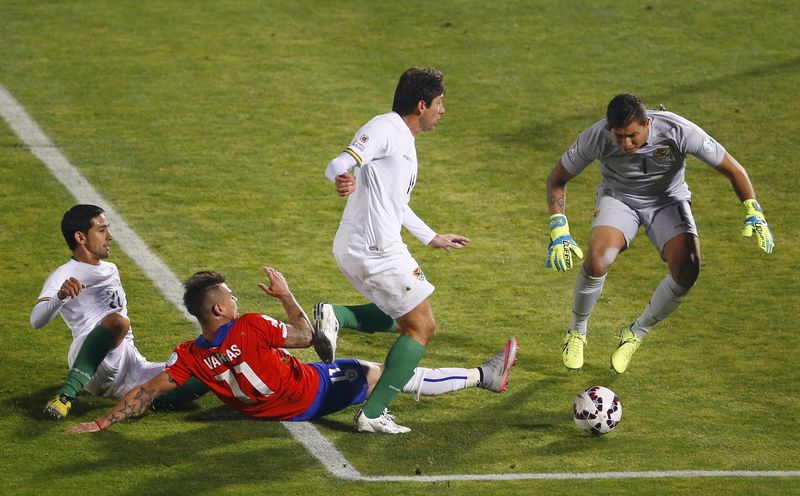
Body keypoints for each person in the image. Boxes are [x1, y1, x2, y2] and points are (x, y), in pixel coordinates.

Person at [64, 267, 517, 434]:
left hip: (263, 410)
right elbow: (308, 337)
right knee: (384, 372)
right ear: (220, 308)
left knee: (368, 362)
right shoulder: (251, 326)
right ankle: (484, 376)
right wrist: (284, 296)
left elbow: (147, 391)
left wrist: (100, 421)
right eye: (232, 296)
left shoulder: (190, 357)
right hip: (310, 392)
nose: (238, 300)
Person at [545, 94, 774, 373]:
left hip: (668, 200)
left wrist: (753, 210)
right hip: (619, 199)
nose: (626, 143)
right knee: (597, 261)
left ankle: (636, 333)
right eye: (619, 137)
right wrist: (559, 229)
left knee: (688, 268)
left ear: (648, 123)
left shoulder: (679, 131)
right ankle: (577, 332)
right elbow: (557, 178)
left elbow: (732, 168)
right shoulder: (596, 136)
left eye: (632, 135)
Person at [316, 66, 473, 433]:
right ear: (421, 105)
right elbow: (340, 163)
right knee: (422, 328)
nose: (442, 110)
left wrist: (431, 236)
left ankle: (337, 316)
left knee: (403, 318)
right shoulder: (385, 128)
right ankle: (373, 414)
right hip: (375, 250)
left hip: (370, 246)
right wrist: (340, 177)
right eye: (439, 103)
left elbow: (395, 203)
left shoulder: (405, 140)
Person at [31, 204, 207, 419]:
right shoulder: (64, 274)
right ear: (81, 237)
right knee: (119, 322)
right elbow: (36, 320)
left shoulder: (110, 269)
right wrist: (59, 297)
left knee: (204, 371)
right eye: (102, 230)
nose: (110, 236)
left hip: (129, 363)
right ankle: (65, 396)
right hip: (91, 358)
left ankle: (136, 398)